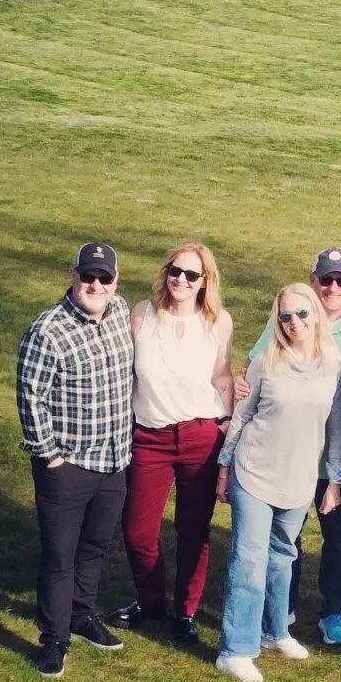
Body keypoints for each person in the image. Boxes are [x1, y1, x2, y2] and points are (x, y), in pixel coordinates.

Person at [240, 247, 341, 645]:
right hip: (287, 454)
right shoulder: (290, 317)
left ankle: (335, 612)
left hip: (338, 455)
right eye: (325, 279)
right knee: (287, 539)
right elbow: (254, 370)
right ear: (313, 279)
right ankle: (281, 611)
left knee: (339, 538)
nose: (332, 287)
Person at [214, 284, 341, 682]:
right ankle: (235, 649)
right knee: (249, 560)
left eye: (302, 314)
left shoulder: (333, 365)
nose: (294, 323)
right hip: (253, 472)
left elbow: (336, 429)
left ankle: (275, 632)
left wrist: (335, 480)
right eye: (286, 316)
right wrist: (223, 468)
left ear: (316, 316)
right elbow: (241, 416)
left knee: (282, 557)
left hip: (300, 480)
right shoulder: (266, 362)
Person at [15, 240, 134, 679]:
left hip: (114, 461)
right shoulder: (47, 330)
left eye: (105, 278)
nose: (96, 284)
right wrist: (48, 455)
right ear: (74, 275)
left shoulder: (121, 313)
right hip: (67, 466)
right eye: (89, 276)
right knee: (60, 556)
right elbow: (30, 397)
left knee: (95, 548)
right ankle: (53, 639)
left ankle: (82, 617)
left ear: (115, 281)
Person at [111, 240, 234, 646]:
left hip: (200, 435)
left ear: (205, 281)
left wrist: (227, 424)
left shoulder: (218, 322)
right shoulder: (143, 314)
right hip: (149, 436)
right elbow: (124, 371)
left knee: (192, 530)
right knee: (138, 531)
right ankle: (150, 601)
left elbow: (221, 376)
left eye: (191, 274)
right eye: (175, 271)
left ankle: (185, 611)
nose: (181, 279)